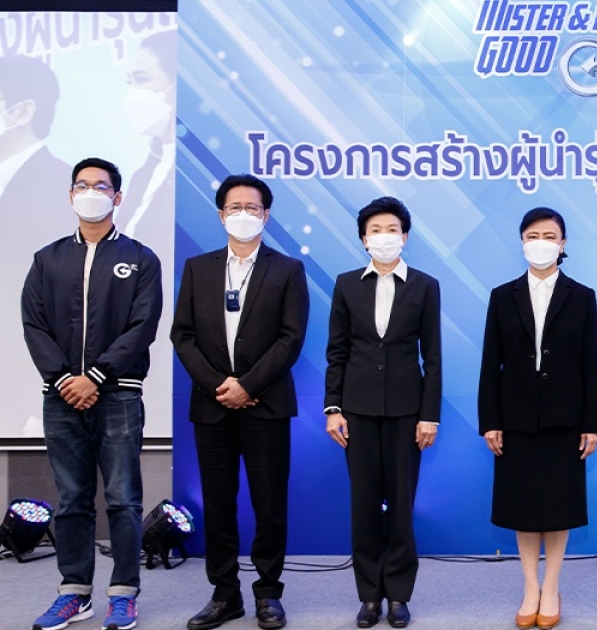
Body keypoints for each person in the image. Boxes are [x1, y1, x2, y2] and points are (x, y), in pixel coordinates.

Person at [21, 157, 163, 630]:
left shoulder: (141, 258)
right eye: (81, 185)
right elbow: (34, 324)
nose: (90, 192)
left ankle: (124, 593)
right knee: (72, 499)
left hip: (118, 393)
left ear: (117, 197)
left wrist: (97, 376)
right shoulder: (48, 259)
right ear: (70, 195)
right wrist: (65, 378)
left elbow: (142, 326)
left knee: (122, 498)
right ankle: (74, 593)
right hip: (61, 396)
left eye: (100, 186)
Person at [171, 174, 310, 630]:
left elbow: (291, 338)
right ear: (221, 215)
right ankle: (224, 594)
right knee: (218, 503)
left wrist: (249, 385)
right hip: (212, 405)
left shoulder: (287, 269)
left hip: (265, 405)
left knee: (269, 505)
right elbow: (182, 335)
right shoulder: (198, 268)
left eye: (252, 207)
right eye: (235, 207)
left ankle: (268, 593)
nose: (244, 214)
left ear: (265, 215)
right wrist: (220, 386)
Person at [478, 207, 597, 630]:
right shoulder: (502, 296)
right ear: (522, 242)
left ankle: (551, 587)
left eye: (550, 235)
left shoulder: (582, 296)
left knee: (557, 508)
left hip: (565, 418)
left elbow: (592, 365)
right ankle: (530, 587)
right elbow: (490, 364)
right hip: (515, 418)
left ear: (563, 243)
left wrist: (592, 422)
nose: (541, 242)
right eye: (533, 235)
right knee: (524, 509)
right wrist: (490, 420)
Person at [324, 197, 442, 629]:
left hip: (408, 413)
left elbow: (433, 356)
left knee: (401, 506)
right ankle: (369, 596)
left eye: (392, 229)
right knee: (365, 505)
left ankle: (399, 595)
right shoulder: (346, 284)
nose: (384, 236)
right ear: (363, 239)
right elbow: (337, 351)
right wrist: (333, 408)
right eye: (375, 229)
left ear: (405, 236)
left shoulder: (425, 285)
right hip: (356, 412)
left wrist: (429, 415)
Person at [1, 55, 74, 437]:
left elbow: (63, 300)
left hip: (21, 392)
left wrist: (37, 399)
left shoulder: (56, 185)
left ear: (22, 111)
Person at [117, 31, 177, 250]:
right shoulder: (143, 174)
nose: (133, 93)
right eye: (130, 82)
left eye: (141, 80)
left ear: (176, 87)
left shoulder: (193, 174)